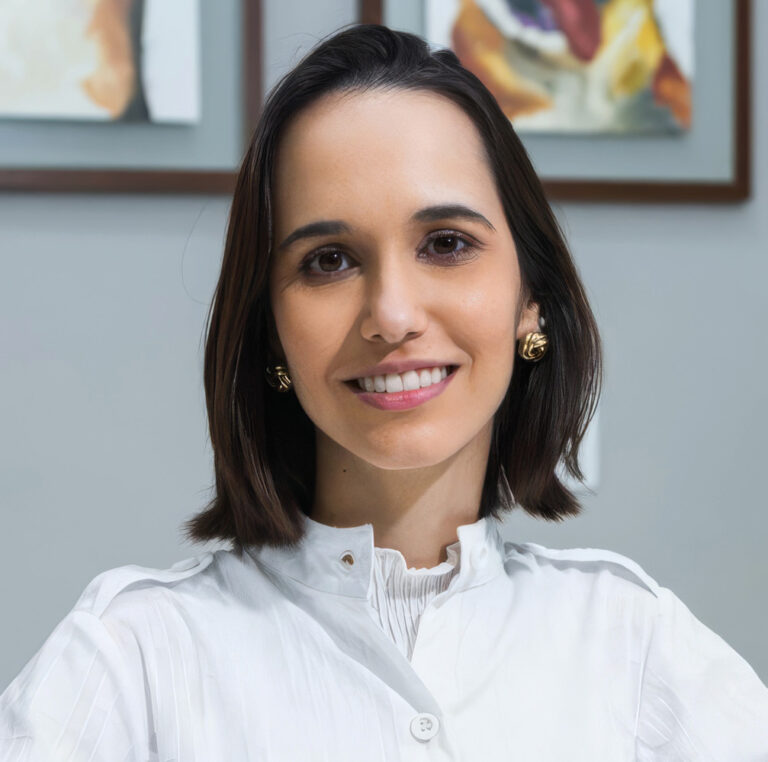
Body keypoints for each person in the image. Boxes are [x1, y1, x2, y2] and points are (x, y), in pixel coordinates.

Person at [2, 22, 767, 761]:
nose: (392, 316)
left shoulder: (636, 646)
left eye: (446, 244)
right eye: (329, 260)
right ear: (270, 327)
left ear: (530, 299)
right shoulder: (130, 658)